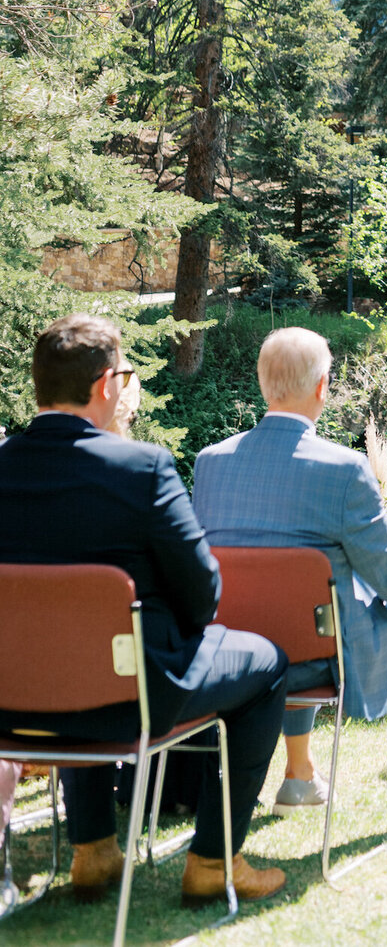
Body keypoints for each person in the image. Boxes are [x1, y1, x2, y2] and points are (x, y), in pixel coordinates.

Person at [0, 315, 287, 906]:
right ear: (107, 385)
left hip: (12, 706)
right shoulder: (141, 469)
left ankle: (94, 849)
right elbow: (202, 590)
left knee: (77, 655)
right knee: (269, 663)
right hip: (129, 700)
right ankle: (214, 859)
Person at [193, 326, 387, 826]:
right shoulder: (344, 469)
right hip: (322, 655)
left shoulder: (211, 463)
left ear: (264, 383)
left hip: (241, 650)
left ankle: (299, 775)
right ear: (321, 386)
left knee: (286, 615)